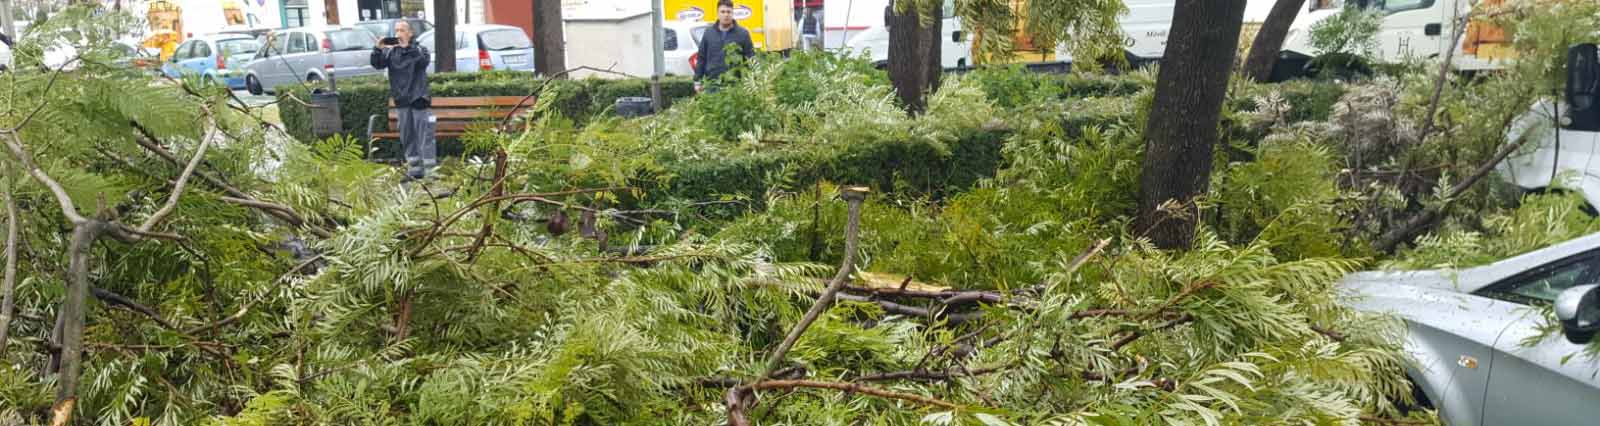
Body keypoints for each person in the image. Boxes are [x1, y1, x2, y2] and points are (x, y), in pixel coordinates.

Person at [370, 21, 434, 181]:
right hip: (402, 100)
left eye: (402, 30)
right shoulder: (391, 52)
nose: (399, 33)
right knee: (407, 136)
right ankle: (415, 169)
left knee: (424, 136)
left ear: (410, 33)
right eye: (396, 30)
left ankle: (431, 173)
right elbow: (377, 64)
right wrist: (378, 48)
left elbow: (423, 62)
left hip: (419, 98)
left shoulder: (419, 49)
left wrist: (408, 47)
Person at [694, 0, 755, 92]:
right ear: (718, 13)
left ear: (732, 13)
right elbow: (701, 58)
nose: (726, 15)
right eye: (722, 12)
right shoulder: (709, 33)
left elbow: (750, 58)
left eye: (728, 12)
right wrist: (697, 81)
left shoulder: (743, 34)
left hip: (735, 85)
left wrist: (752, 81)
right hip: (712, 84)